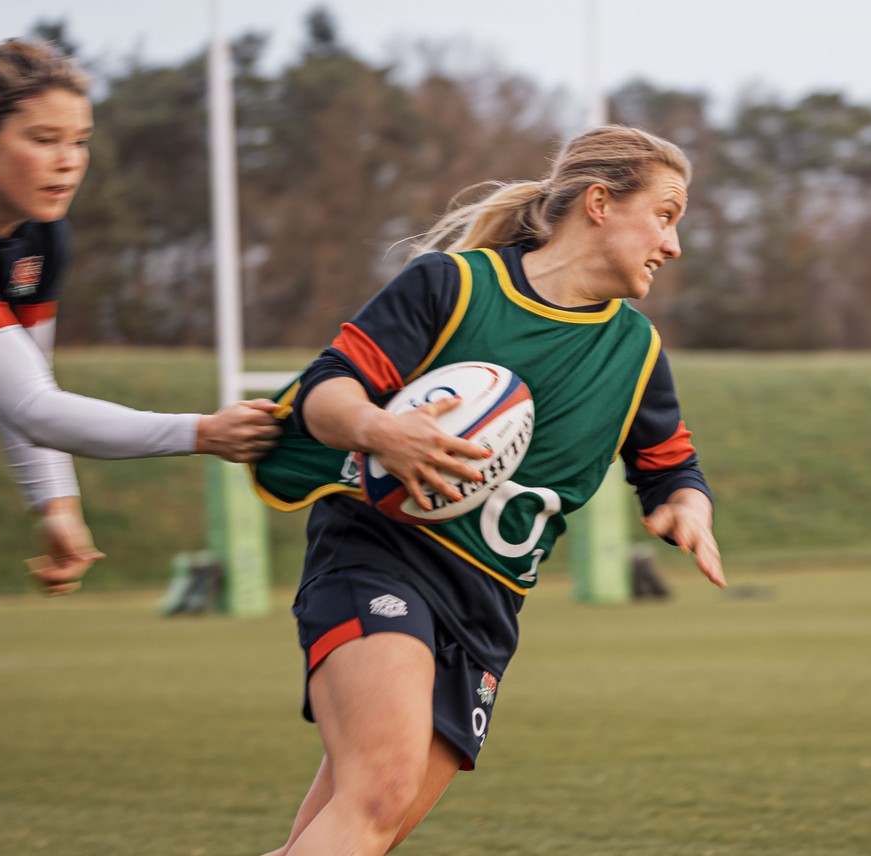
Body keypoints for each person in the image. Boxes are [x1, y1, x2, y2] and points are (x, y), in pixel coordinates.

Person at [255, 124, 724, 855]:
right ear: (599, 202)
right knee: (379, 790)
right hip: (379, 558)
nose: (674, 244)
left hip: (486, 612)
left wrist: (686, 507)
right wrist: (381, 431)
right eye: (665, 215)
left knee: (363, 826)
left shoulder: (634, 351)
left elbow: (671, 466)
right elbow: (325, 395)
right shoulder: (455, 284)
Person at [0, 38, 280, 595]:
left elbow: (24, 392)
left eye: (79, 141)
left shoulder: (41, 234)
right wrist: (201, 433)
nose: (69, 161)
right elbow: (35, 410)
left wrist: (56, 503)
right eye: (43, 140)